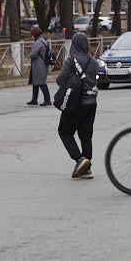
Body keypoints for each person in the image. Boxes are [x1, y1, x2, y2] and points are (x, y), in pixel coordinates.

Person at [56, 31, 99, 179]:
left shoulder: (71, 61)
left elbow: (60, 80)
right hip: (92, 103)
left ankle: (79, 159)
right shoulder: (94, 62)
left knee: (65, 132)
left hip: (75, 104)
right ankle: (87, 169)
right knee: (86, 136)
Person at [28, 25, 51, 106]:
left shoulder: (38, 43)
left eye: (32, 35)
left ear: (34, 35)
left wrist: (29, 55)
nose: (31, 37)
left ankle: (47, 100)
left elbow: (34, 54)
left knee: (41, 83)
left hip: (39, 65)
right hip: (41, 64)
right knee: (36, 83)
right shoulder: (43, 40)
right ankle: (34, 99)